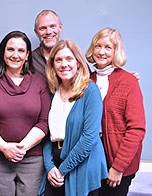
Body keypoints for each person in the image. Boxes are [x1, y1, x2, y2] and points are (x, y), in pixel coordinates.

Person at [0, 30, 51, 196]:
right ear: (3, 52)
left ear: (27, 55)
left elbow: (44, 122)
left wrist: (20, 149)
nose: (15, 55)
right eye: (10, 49)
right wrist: (4, 148)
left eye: (20, 51)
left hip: (32, 160)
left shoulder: (39, 83)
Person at [38, 39, 108, 196]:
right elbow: (48, 137)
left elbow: (89, 138)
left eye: (69, 59)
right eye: (58, 60)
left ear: (78, 62)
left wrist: (62, 170)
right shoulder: (52, 92)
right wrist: (50, 168)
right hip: (55, 164)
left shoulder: (90, 91)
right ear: (53, 66)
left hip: (83, 164)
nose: (64, 64)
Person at [85, 27, 146, 196]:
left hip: (118, 160)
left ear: (116, 51)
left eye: (108, 47)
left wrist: (118, 167)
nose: (102, 52)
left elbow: (136, 129)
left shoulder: (129, 82)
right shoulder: (85, 80)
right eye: (98, 46)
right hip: (89, 158)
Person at [32, 9, 63, 79]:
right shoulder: (30, 61)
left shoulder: (73, 57)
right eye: (43, 28)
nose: (48, 32)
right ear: (36, 32)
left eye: (52, 26)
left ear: (60, 28)